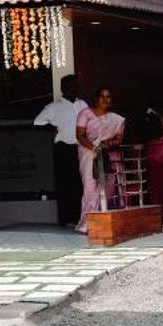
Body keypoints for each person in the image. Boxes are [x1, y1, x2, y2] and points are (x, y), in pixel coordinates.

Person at [33, 75, 89, 227]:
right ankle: (67, 219)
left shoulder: (82, 104)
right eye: (72, 86)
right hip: (64, 149)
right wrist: (52, 128)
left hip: (81, 147)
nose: (75, 88)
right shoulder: (53, 107)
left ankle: (81, 217)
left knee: (81, 183)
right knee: (66, 184)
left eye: (77, 85)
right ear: (64, 89)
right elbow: (37, 122)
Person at [76, 86, 126, 229]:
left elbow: (119, 139)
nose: (105, 99)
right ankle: (87, 224)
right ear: (96, 98)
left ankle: (103, 221)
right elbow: (80, 135)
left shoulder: (115, 119)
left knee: (108, 186)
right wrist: (94, 148)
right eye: (102, 96)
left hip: (107, 154)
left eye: (108, 96)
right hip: (88, 154)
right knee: (90, 187)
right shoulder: (84, 114)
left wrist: (108, 143)